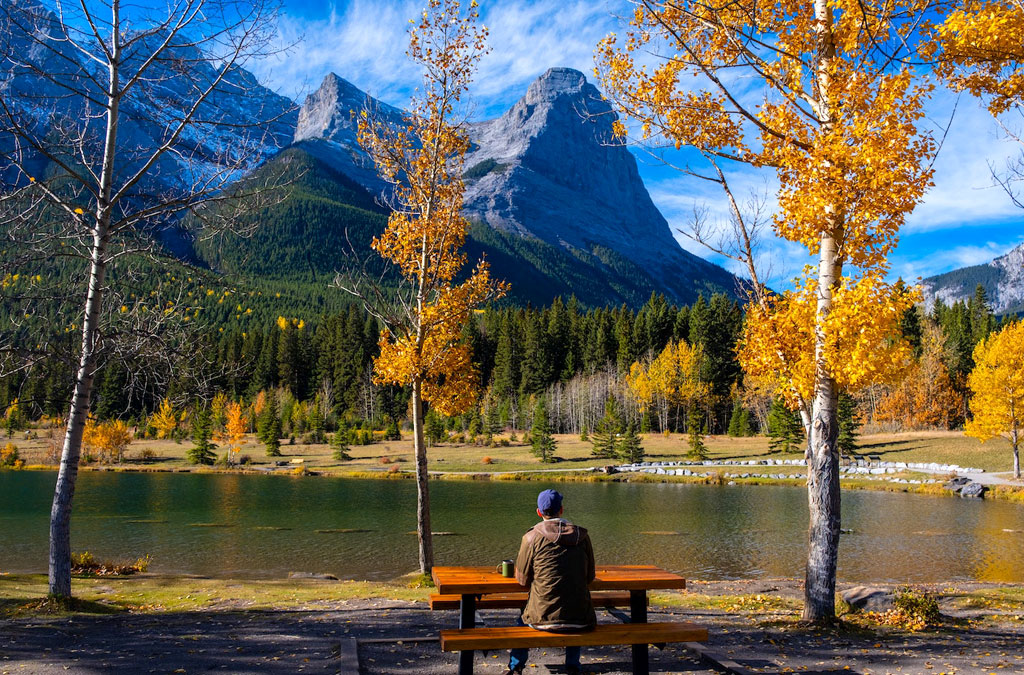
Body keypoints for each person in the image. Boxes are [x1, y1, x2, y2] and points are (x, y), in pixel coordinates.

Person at [506, 489, 596, 675]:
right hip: (582, 619)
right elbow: (589, 578)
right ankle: (572, 666)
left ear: (539, 512)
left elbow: (522, 580)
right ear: (561, 510)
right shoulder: (582, 536)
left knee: (521, 620)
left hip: (541, 619)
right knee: (574, 605)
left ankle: (516, 667)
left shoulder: (531, 537)